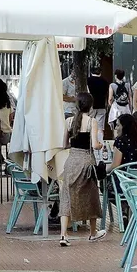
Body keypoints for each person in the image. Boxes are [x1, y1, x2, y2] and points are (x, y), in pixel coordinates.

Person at [59, 93, 105, 246]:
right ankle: (92, 233)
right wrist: (101, 145)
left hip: (71, 161)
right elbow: (94, 144)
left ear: (76, 105)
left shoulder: (69, 121)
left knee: (66, 196)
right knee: (91, 196)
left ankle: (64, 235)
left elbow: (65, 144)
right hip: (86, 161)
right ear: (90, 106)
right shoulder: (92, 122)